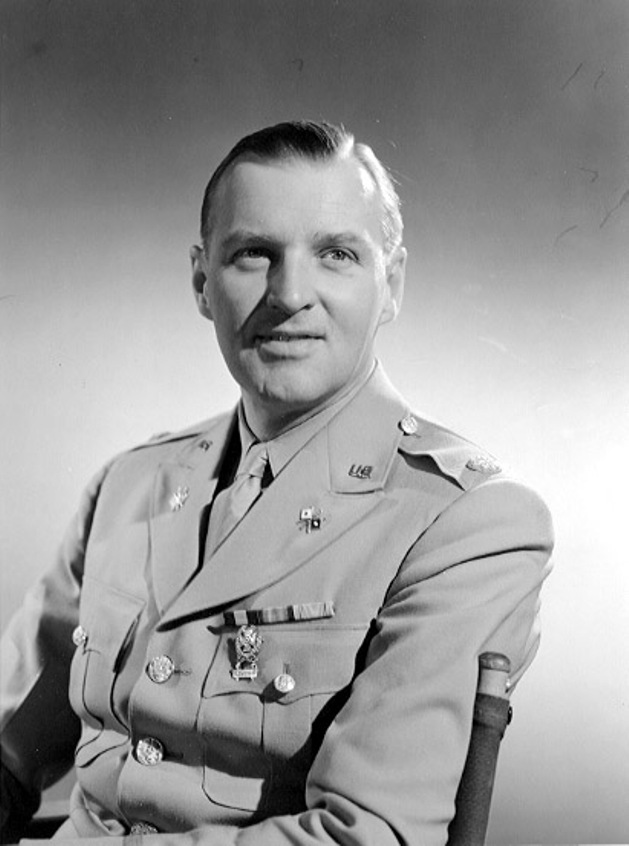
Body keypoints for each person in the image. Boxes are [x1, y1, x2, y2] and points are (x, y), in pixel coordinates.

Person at [0, 120, 553, 846]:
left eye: (336, 255)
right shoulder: (129, 485)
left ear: (391, 285)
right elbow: (11, 747)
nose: (290, 294)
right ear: (202, 282)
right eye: (253, 253)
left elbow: (360, 837)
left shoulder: (466, 523)